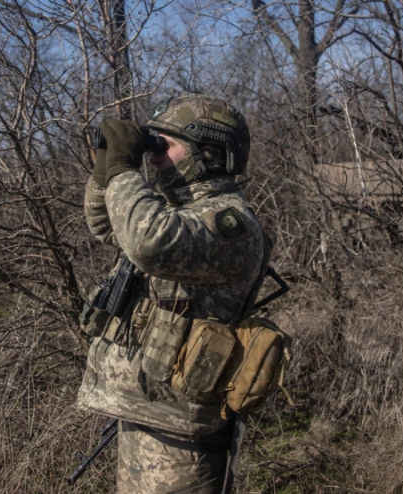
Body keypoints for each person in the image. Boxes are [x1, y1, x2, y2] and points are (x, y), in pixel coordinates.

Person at [76, 94, 271, 493]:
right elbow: (105, 225)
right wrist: (105, 169)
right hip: (146, 411)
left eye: (166, 143)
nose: (154, 153)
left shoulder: (229, 222)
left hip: (184, 434)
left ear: (209, 152)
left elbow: (148, 241)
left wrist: (123, 169)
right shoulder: (175, 211)